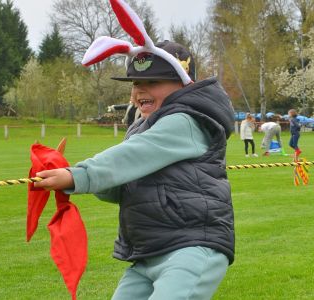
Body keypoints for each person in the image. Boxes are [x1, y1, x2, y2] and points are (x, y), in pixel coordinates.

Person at [35, 40, 236, 300]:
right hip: (148, 253)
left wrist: (79, 175)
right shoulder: (142, 127)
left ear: (184, 84)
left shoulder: (187, 121)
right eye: (136, 83)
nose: (141, 90)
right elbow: (121, 185)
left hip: (191, 246)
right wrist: (75, 179)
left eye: (153, 82)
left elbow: (132, 155)